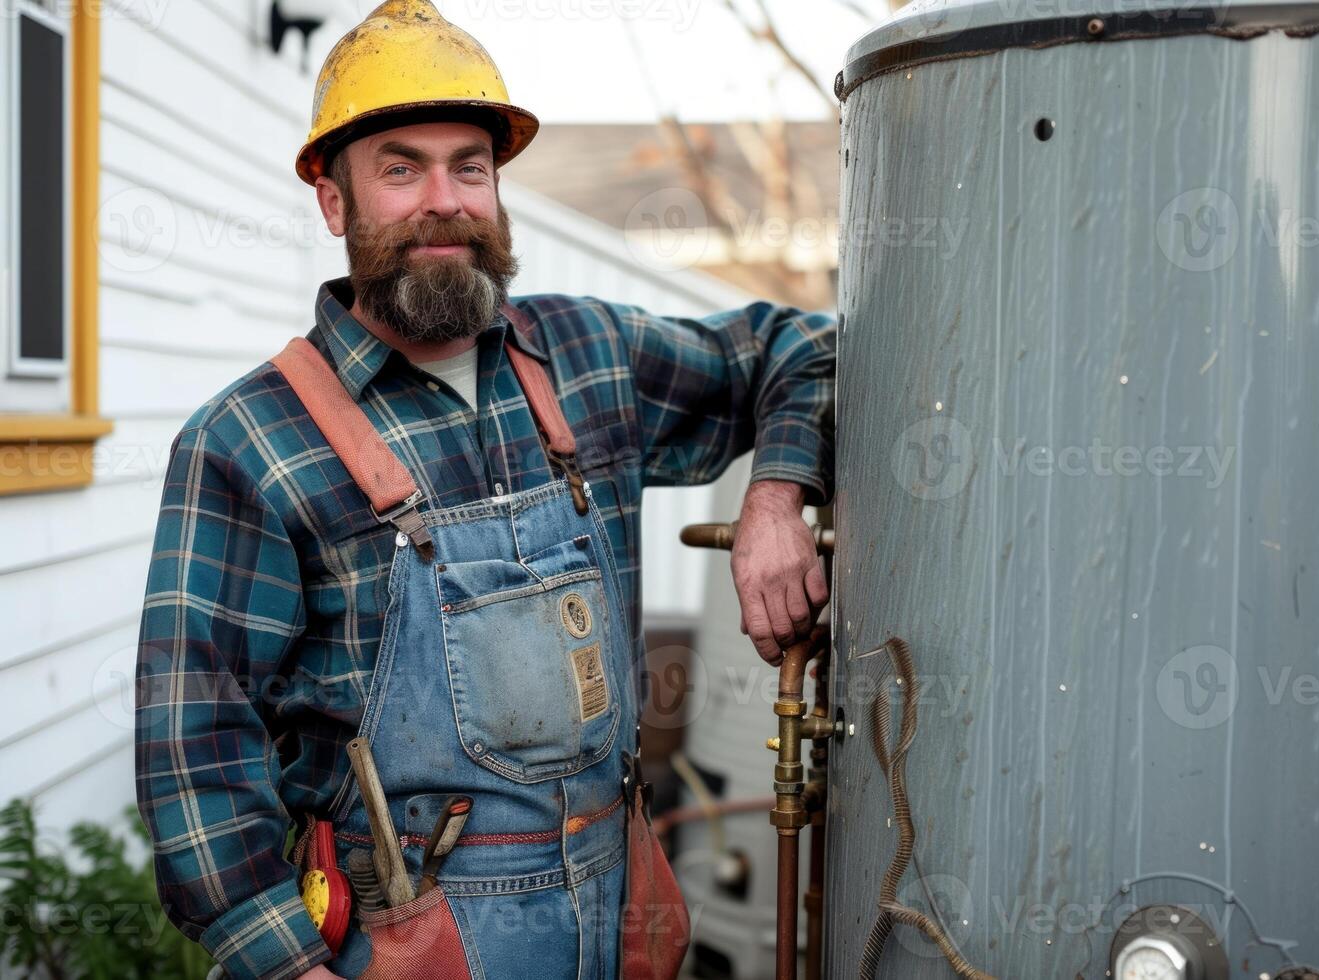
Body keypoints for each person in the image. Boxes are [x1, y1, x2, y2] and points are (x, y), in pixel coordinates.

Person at [134, 2, 835, 978]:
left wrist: (775, 495)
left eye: (469, 165)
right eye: (400, 167)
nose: (444, 197)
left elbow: (803, 347)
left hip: (620, 916)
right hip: (413, 933)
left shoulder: (590, 357)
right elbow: (193, 745)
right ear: (334, 203)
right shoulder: (249, 442)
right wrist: (288, 963)